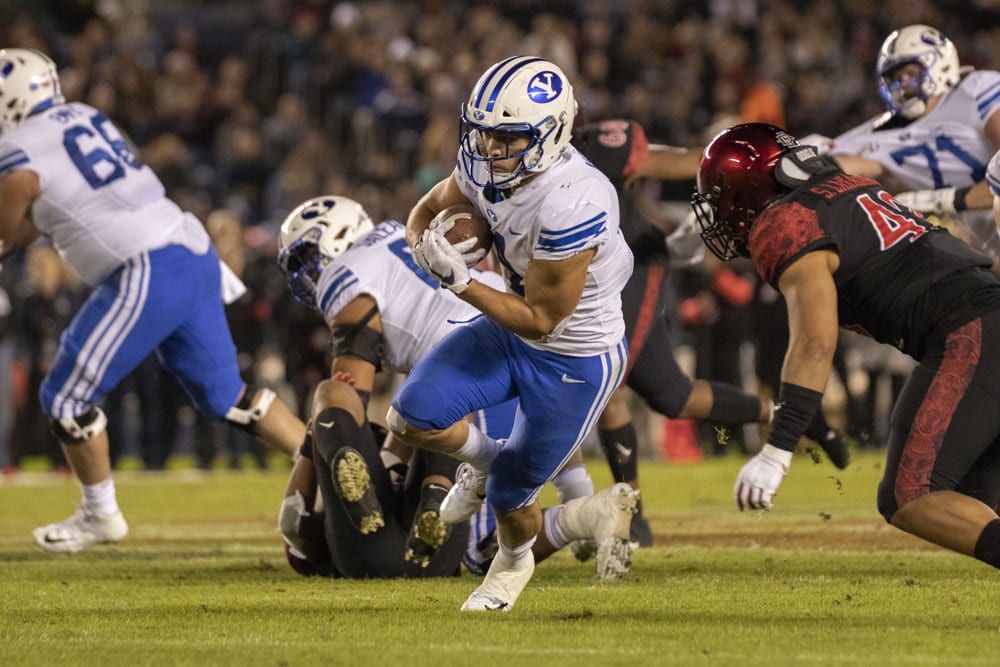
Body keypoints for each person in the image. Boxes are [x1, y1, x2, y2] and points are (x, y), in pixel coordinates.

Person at [0, 48, 308, 553]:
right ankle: (332, 462)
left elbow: (16, 208)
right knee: (226, 396)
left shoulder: (20, 149)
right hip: (190, 248)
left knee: (64, 397)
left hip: (148, 267)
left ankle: (100, 514)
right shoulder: (86, 116)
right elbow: (59, 199)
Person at [386, 56, 639, 611]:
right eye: (483, 133)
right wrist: (425, 246)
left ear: (550, 135)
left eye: (507, 138)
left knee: (509, 497)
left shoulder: (576, 199)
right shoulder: (484, 162)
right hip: (508, 328)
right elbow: (426, 209)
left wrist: (458, 281)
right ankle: (484, 459)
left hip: (573, 355)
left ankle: (511, 564)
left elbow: (545, 319)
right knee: (410, 416)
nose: (489, 149)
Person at [274, 194, 636, 579]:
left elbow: (351, 393)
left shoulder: (344, 276)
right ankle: (576, 495)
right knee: (450, 426)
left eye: (310, 258)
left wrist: (331, 457)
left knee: (480, 551)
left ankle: (586, 517)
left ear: (336, 238)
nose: (310, 274)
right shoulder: (398, 236)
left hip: (477, 359)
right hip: (523, 331)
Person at [692, 122, 1000, 572]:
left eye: (720, 199)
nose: (720, 214)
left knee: (909, 494)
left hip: (970, 332)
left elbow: (816, 341)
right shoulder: (846, 187)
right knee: (974, 501)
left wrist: (777, 452)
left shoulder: (784, 221)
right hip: (985, 313)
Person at [572, 119, 850, 546]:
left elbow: (674, 161)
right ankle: (786, 415)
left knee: (610, 383)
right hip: (581, 281)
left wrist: (734, 160)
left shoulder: (594, 145)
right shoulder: (510, 166)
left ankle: (630, 518)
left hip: (628, 270)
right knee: (675, 396)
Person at [818, 25, 1000, 258]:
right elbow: (839, 163)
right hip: (987, 251)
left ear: (940, 63)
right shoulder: (892, 132)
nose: (902, 84)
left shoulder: (975, 89)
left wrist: (937, 200)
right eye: (895, 78)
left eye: (911, 73)